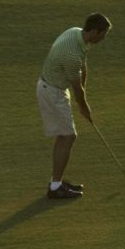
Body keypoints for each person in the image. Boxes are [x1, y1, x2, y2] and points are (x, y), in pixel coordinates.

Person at [37, 13, 112, 199]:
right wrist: (84, 107)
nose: (104, 39)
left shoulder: (77, 34)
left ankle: (56, 182)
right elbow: (76, 87)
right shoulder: (71, 54)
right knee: (69, 136)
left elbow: (83, 67)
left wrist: (83, 97)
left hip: (53, 88)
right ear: (94, 32)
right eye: (103, 34)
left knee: (64, 136)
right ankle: (55, 188)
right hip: (52, 92)